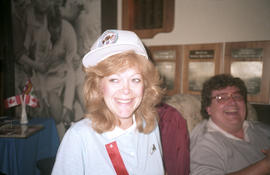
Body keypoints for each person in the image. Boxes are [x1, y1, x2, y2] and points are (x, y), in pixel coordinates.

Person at [52, 29, 165, 174]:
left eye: (135, 79)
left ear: (145, 85)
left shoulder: (150, 125)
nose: (126, 90)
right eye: (114, 79)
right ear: (99, 86)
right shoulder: (78, 138)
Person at [190, 74, 270, 175]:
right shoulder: (205, 144)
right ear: (208, 108)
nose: (232, 101)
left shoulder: (260, 128)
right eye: (221, 98)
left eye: (237, 96)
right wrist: (266, 165)